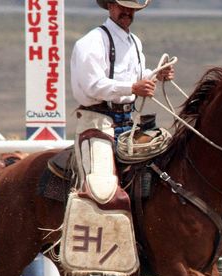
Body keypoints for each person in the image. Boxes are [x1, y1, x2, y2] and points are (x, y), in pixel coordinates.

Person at [70, 0, 174, 206]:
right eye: (122, 6)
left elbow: (135, 74)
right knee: (101, 189)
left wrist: (156, 74)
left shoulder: (134, 41)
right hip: (97, 122)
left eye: (131, 8)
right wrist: (133, 88)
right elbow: (93, 85)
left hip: (128, 121)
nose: (127, 12)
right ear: (110, 6)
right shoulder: (91, 42)